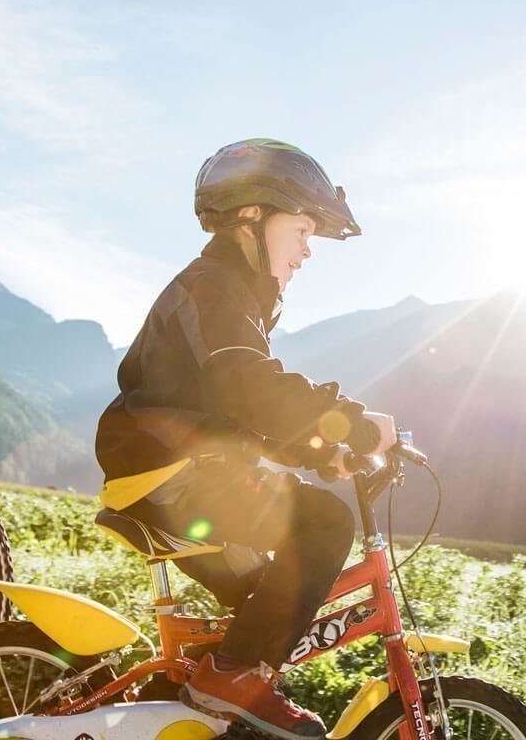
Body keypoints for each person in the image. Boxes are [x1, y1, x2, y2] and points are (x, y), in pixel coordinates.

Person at [94, 138, 395, 740]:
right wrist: (353, 420)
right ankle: (231, 679)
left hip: (177, 469)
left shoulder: (231, 293)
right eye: (304, 230)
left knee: (264, 604)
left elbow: (237, 412)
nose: (308, 251)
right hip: (173, 473)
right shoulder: (214, 286)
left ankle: (190, 696)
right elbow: (246, 385)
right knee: (324, 526)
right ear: (252, 216)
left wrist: (319, 449)